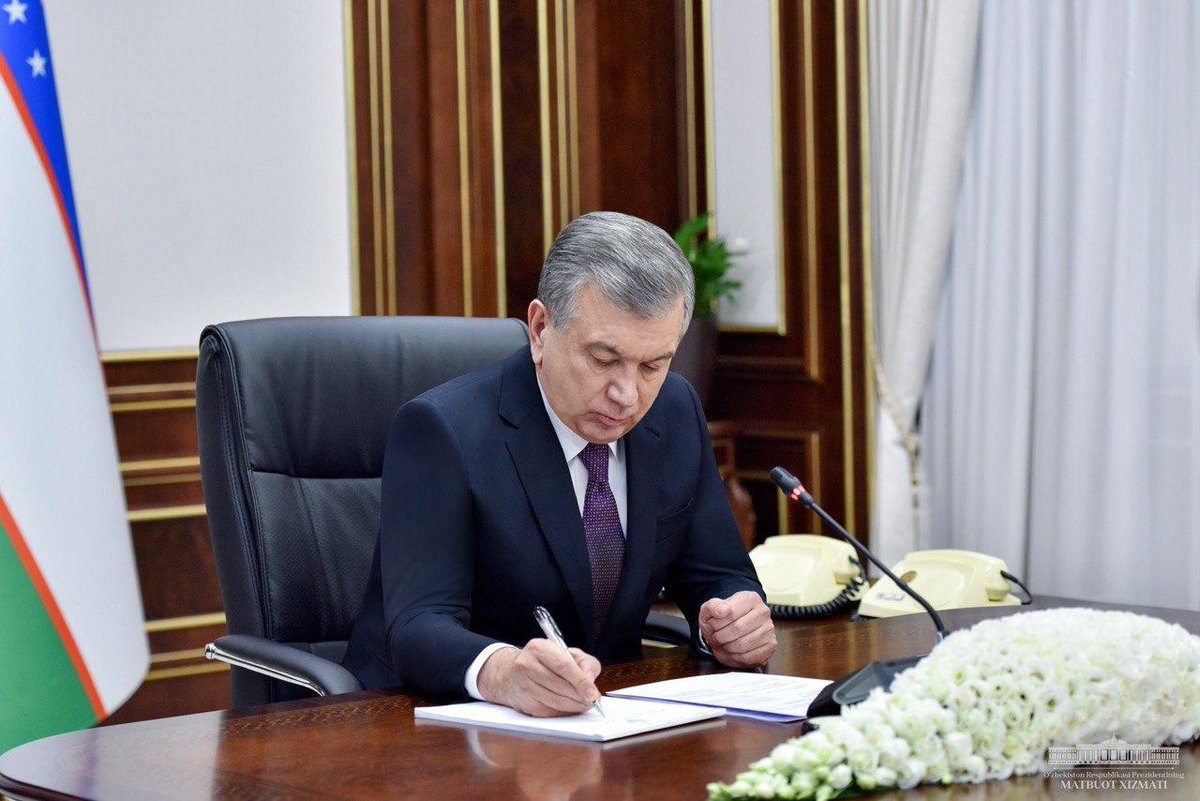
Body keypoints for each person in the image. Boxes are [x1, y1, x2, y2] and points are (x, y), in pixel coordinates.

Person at [342, 211, 777, 716]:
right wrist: (504, 671)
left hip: (609, 717)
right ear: (540, 329)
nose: (627, 394)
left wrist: (732, 621)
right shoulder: (442, 430)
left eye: (652, 365)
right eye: (604, 359)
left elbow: (719, 574)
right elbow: (418, 625)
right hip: (423, 721)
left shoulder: (673, 409)